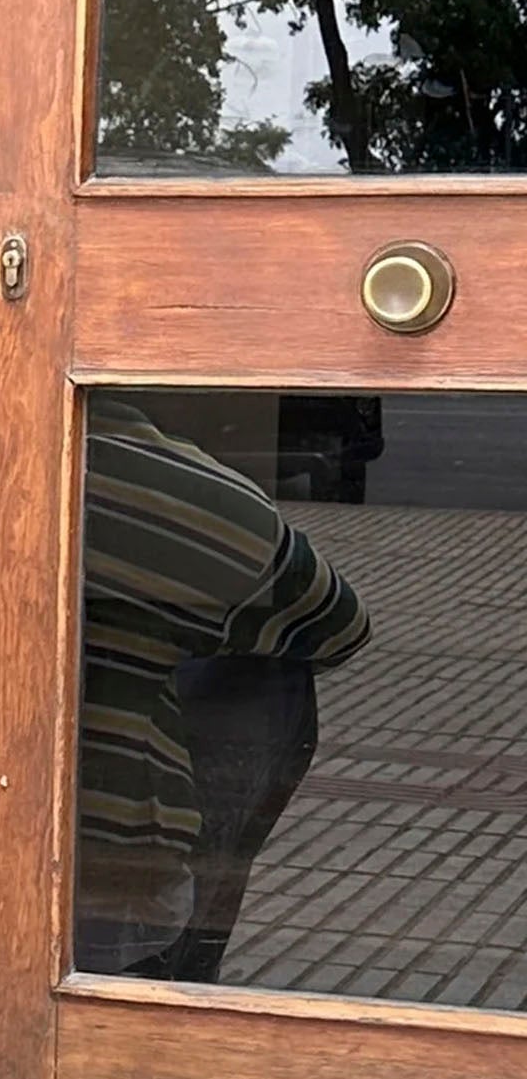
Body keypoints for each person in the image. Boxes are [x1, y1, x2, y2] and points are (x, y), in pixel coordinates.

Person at [76, 397, 370, 978]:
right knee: (271, 670)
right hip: (98, 903)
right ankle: (187, 962)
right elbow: (339, 626)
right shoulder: (168, 491)